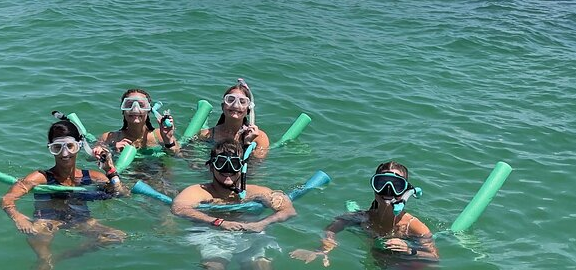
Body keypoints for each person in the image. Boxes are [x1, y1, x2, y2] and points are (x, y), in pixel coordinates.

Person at [0, 119, 126, 270]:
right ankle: (45, 259)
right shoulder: (40, 177)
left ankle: (62, 257)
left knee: (117, 237)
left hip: (80, 219)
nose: (64, 154)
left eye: (70, 147)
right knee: (38, 239)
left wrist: (110, 171)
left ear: (78, 147)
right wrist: (18, 217)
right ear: (50, 149)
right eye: (57, 148)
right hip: (48, 220)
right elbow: (7, 199)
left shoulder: (92, 176)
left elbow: (122, 194)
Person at [172, 140, 297, 269]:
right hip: (211, 232)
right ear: (211, 167)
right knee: (214, 266)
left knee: (261, 266)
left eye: (234, 163)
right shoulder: (199, 192)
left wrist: (262, 223)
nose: (228, 169)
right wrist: (219, 222)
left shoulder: (256, 192)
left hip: (251, 231)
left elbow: (288, 210)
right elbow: (179, 208)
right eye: (221, 163)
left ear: (242, 167)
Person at [290, 161, 438, 267]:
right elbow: (331, 229)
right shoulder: (363, 218)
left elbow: (434, 258)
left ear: (405, 191)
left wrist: (409, 250)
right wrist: (324, 249)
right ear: (374, 189)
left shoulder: (413, 227)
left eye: (396, 185)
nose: (388, 190)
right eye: (381, 183)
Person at [94, 88, 179, 156]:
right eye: (129, 105)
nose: (135, 109)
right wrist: (112, 152)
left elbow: (177, 156)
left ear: (148, 110)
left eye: (141, 105)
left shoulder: (160, 136)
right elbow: (90, 159)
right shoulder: (108, 138)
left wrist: (168, 140)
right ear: (123, 110)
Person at [198, 80, 269, 158]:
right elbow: (192, 158)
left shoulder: (259, 138)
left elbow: (254, 166)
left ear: (248, 110)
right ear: (222, 106)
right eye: (230, 100)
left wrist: (247, 143)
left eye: (242, 102)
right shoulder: (205, 135)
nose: (236, 105)